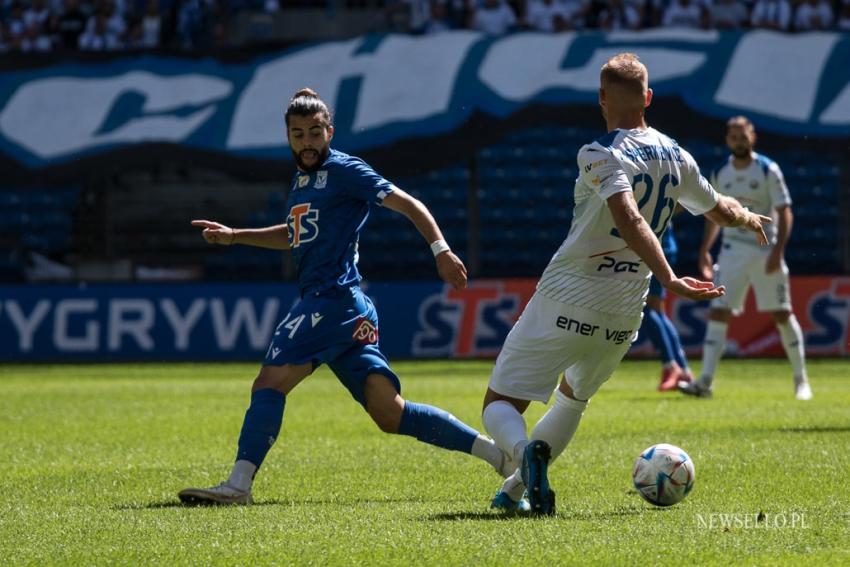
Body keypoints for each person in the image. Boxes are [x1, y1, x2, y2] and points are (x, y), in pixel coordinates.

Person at [179, 88, 513, 505]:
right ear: (288, 137)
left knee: (269, 382)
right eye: (298, 134)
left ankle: (238, 486)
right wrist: (235, 237)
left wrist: (441, 250)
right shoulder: (303, 179)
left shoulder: (345, 170)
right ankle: (502, 458)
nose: (307, 142)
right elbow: (294, 235)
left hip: (330, 300)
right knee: (390, 413)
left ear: (329, 132)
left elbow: (409, 204)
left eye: (315, 132)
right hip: (347, 308)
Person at [481, 53, 771, 515]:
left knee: (499, 405)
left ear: (601, 99)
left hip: (568, 292)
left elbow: (628, 216)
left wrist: (670, 277)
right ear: (648, 97)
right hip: (624, 309)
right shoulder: (678, 155)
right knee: (573, 400)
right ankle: (515, 490)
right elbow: (718, 208)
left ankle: (522, 454)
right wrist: (747, 214)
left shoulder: (599, 152)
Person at [679, 116, 813, 401]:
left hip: (766, 251)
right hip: (731, 252)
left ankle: (801, 380)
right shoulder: (720, 172)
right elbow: (714, 214)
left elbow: (785, 210)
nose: (739, 141)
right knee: (719, 311)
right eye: (734, 136)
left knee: (782, 313)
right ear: (727, 139)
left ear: (753, 137)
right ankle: (704, 382)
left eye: (743, 135)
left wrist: (778, 251)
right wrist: (705, 248)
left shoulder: (768, 169)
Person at [639, 220, 695, 392]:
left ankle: (670, 365)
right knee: (656, 311)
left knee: (642, 307)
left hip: (654, 247)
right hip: (661, 244)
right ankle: (683, 370)